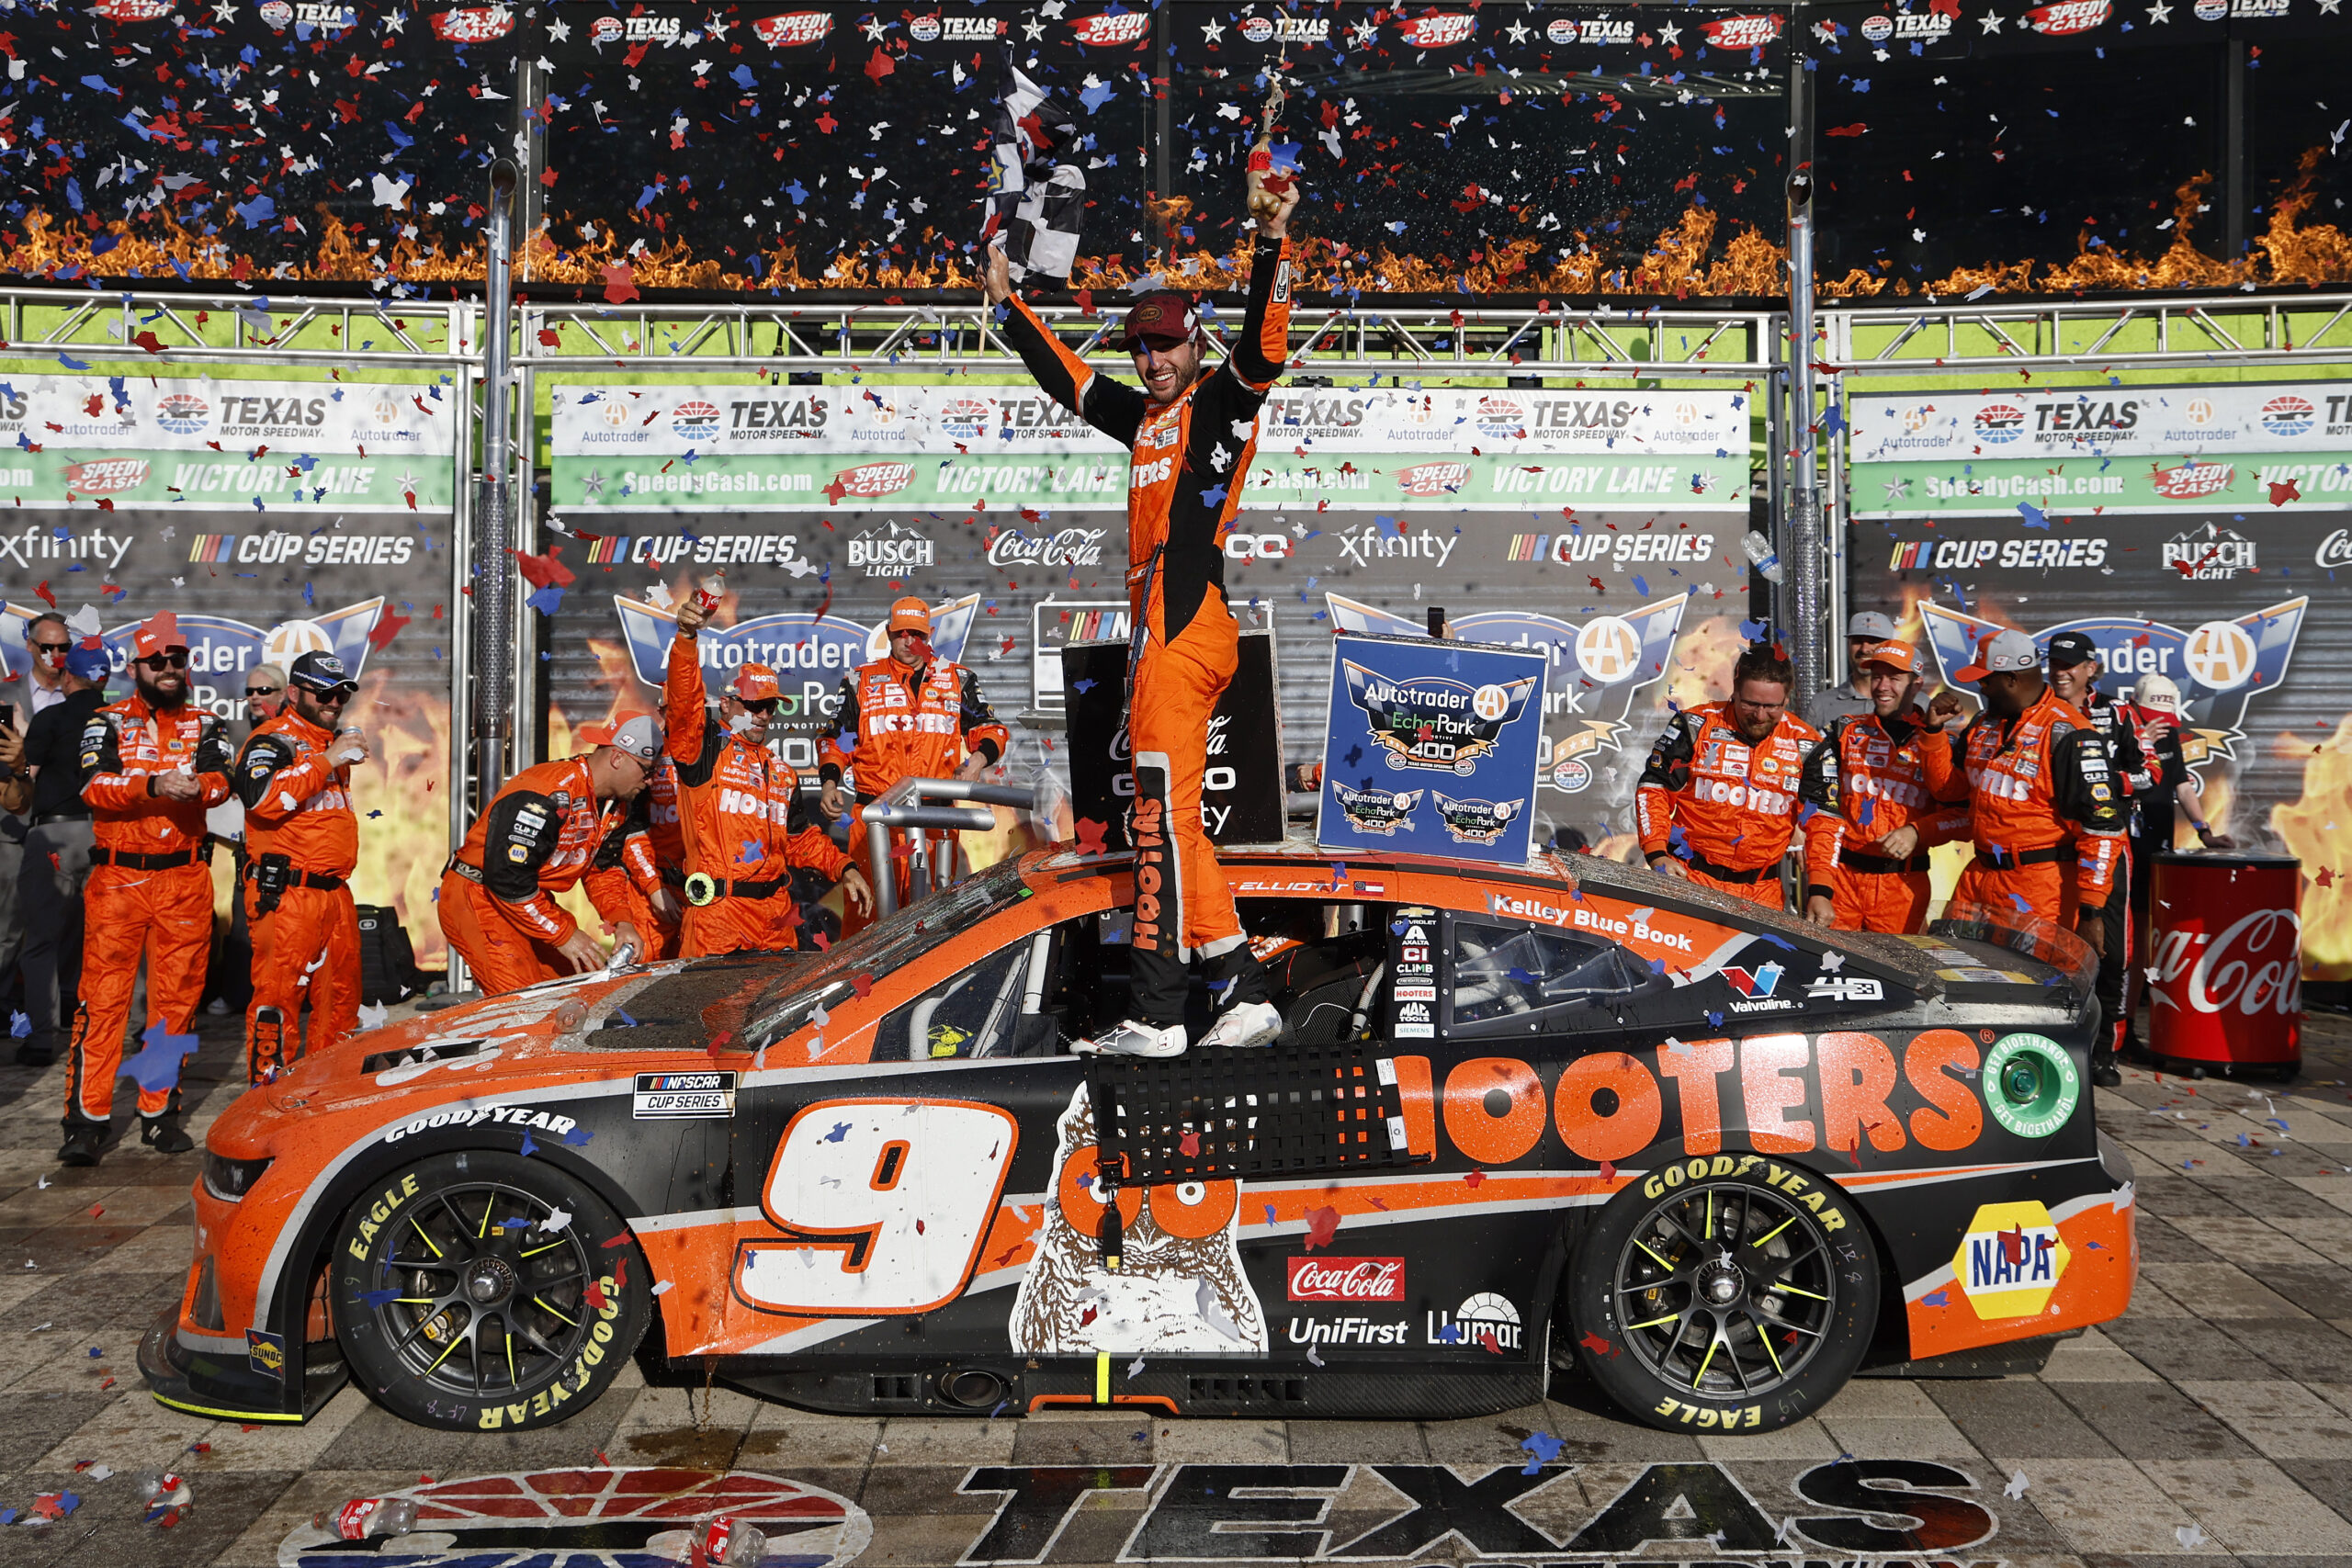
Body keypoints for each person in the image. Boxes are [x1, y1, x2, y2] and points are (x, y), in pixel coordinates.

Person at [982, 152, 1299, 1058]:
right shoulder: (1149, 418)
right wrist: (1007, 306)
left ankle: (1159, 1016)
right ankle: (1238, 986)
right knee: (1175, 817)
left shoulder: (1215, 405)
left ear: (1195, 342)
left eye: (1167, 345)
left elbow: (1264, 351)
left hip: (1185, 625)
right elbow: (1070, 384)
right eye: (1141, 348)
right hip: (1170, 629)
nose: (1153, 361)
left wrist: (1269, 241)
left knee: (1155, 818)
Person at [1919, 627, 2126, 1082]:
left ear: (2011, 679)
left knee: (2037, 994)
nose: (1980, 688)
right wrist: (1933, 734)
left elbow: (2102, 828)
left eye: (1985, 680)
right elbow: (1951, 790)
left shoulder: (2069, 733)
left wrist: (2091, 910)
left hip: (2041, 883)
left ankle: (2039, 1080)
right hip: (1980, 877)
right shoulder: (1984, 724)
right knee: (1971, 982)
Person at [63, 613, 232, 1166]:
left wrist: (198, 786)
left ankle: (158, 1114)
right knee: (103, 1002)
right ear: (135, 666)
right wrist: (154, 784)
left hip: (184, 877)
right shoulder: (105, 721)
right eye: (156, 661)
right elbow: (93, 786)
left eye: (176, 660)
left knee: (174, 1006)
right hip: (118, 879)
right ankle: (85, 1121)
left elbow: (222, 779)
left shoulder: (208, 722)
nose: (167, 669)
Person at [665, 596, 871, 956]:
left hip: (776, 919)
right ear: (726, 704)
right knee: (714, 1014)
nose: (762, 714)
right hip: (719, 917)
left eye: (770, 706)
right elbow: (684, 705)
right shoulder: (704, 749)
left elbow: (799, 839)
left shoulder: (781, 772)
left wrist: (844, 866)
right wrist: (686, 638)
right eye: (754, 704)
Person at [820, 596, 1010, 933]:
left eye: (917, 634)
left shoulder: (958, 679)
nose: (909, 642)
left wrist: (978, 759)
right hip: (877, 822)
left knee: (929, 927)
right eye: (901, 634)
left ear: (930, 634)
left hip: (935, 821)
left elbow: (992, 730)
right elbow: (836, 739)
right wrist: (831, 781)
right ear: (889, 633)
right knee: (866, 925)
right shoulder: (861, 681)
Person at [439, 716, 663, 995]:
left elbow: (602, 869)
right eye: (647, 770)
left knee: (582, 992)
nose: (651, 781)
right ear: (617, 757)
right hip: (481, 895)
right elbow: (508, 876)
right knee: (524, 1006)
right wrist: (563, 935)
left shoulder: (616, 805)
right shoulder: (548, 791)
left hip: (530, 898)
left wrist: (622, 921)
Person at [235, 651, 367, 1082]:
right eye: (325, 692)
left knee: (340, 1008)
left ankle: (322, 1112)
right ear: (294, 693)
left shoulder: (329, 743)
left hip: (334, 895)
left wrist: (331, 755)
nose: (335, 701)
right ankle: (266, 1107)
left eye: (342, 692)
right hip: (287, 896)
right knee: (277, 1007)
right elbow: (261, 798)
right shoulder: (272, 740)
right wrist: (328, 760)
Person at [2045, 633, 2161, 1076]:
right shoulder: (2038, 715)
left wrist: (2103, 784)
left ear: (2092, 668)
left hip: (2108, 843)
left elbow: (2151, 772)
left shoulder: (2117, 713)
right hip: (2053, 848)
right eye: (2055, 662)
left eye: (2071, 663)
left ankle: (2105, 1050)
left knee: (2113, 947)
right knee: (2050, 945)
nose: (2061, 670)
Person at [1800, 641, 1971, 933]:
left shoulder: (1942, 741)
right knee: (1831, 974)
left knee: (1897, 975)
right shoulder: (1843, 732)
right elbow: (1820, 813)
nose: (1882, 686)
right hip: (1843, 880)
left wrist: (1918, 832)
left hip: (1903, 887)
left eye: (1894, 678)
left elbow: (1965, 815)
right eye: (1877, 676)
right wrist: (1820, 886)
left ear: (1916, 683)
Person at [1637, 641, 1823, 908]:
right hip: (1691, 878)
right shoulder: (1694, 725)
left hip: (1762, 892)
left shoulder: (1806, 744)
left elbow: (1824, 823)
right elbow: (1654, 788)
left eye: (1772, 706)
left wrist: (1820, 888)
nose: (1760, 716)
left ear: (1787, 698)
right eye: (1750, 704)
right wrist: (1656, 853)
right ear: (1734, 691)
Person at [15, 644, 108, 1066]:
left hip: (55, 832)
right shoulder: (119, 719)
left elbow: (26, 778)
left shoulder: (51, 717)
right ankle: (91, 1024)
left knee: (41, 941)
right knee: (93, 937)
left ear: (68, 678)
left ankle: (39, 1038)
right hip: (105, 833)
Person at [1815, 612, 1898, 725]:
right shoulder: (1821, 704)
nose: (1864, 649)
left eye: (1873, 641)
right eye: (1858, 641)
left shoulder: (1916, 703)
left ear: (1890, 646)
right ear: (1848, 645)